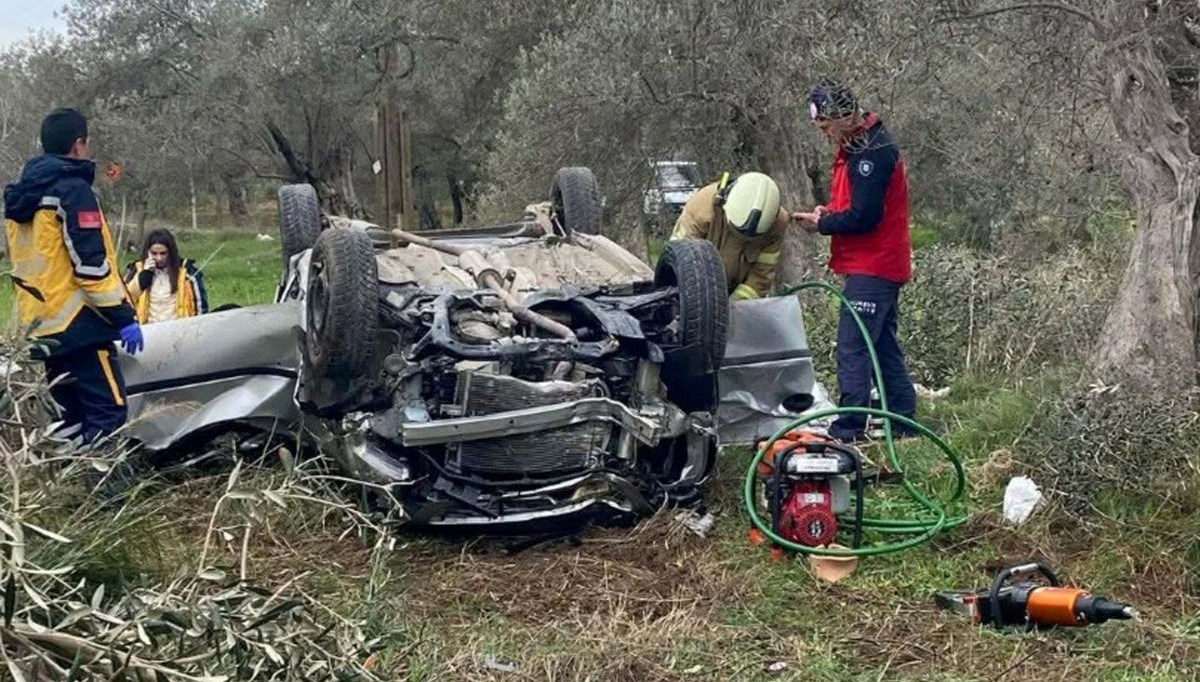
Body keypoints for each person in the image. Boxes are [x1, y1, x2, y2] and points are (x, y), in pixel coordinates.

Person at [3, 108, 144, 443]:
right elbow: (91, 268)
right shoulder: (73, 191)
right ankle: (108, 494)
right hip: (82, 325)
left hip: (43, 328)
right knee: (109, 412)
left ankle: (72, 484)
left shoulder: (20, 198)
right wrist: (123, 316)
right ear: (79, 145)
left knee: (69, 417)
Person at [792, 79, 917, 442]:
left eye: (826, 125)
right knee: (882, 344)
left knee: (853, 345)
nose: (824, 133)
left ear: (844, 116)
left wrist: (823, 224)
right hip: (877, 263)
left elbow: (866, 216)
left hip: (875, 265)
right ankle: (903, 419)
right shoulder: (858, 144)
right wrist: (829, 211)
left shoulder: (871, 153)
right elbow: (857, 204)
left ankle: (849, 428)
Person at [669, 171, 788, 301]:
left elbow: (761, 277)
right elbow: (679, 262)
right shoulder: (701, 208)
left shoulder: (778, 223)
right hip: (692, 296)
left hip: (735, 301)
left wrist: (735, 307)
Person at [125, 229, 209, 324]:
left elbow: (201, 306)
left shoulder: (187, 272)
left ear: (171, 252)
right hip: (147, 331)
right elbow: (125, 299)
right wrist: (144, 275)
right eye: (154, 253)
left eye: (163, 253)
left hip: (180, 330)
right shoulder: (136, 270)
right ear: (148, 252)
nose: (159, 258)